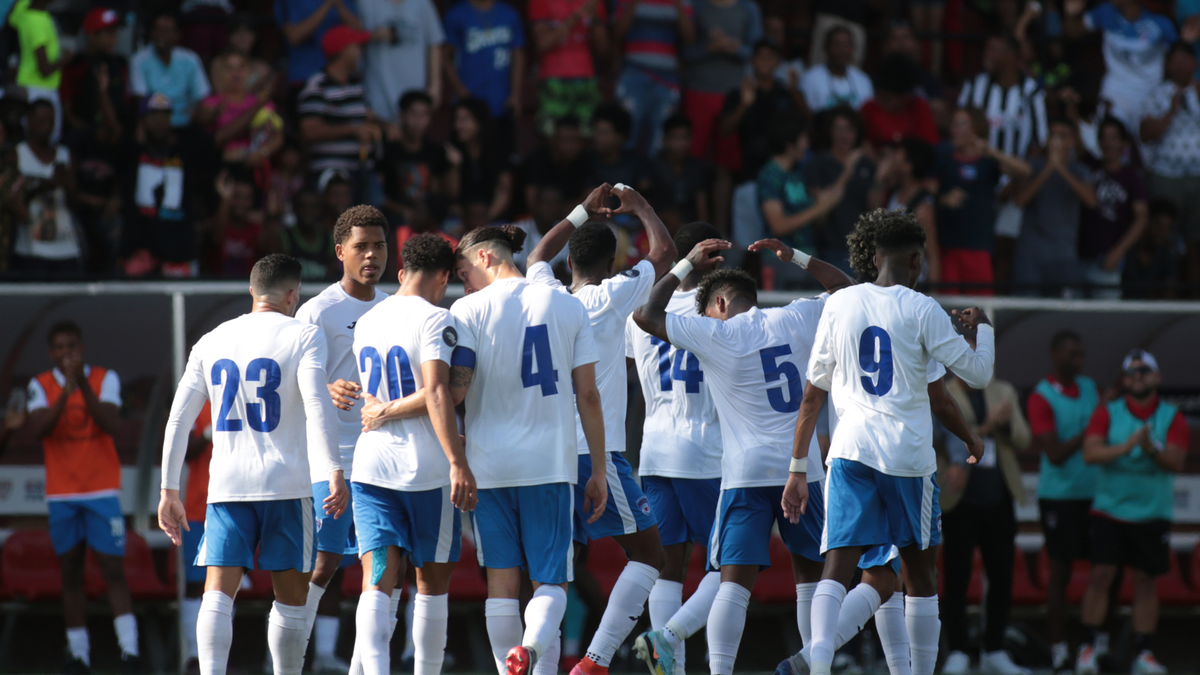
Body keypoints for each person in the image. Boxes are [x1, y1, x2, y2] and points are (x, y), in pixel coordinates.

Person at [631, 237, 856, 675]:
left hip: (744, 474)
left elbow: (646, 315)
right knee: (809, 577)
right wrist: (800, 256)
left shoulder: (717, 332)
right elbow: (848, 291)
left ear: (718, 303)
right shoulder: (797, 316)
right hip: (802, 471)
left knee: (733, 585)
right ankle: (811, 665)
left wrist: (684, 265)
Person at [793, 208, 995, 675]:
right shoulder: (922, 309)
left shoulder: (840, 303)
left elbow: (812, 395)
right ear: (917, 259)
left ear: (872, 254)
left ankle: (817, 663)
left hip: (850, 453)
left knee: (839, 566)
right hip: (907, 459)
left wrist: (798, 467)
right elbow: (975, 378)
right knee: (920, 575)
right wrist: (981, 326)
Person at [157, 254, 349, 675]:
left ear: (251, 290)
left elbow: (178, 419)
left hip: (227, 487)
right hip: (288, 484)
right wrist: (334, 468)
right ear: (293, 295)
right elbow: (318, 404)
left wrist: (168, 490)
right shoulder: (303, 334)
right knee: (290, 596)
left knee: (217, 594)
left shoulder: (211, 339)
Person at [524, 184, 676, 675]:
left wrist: (578, 211)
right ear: (612, 265)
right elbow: (666, 253)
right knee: (651, 554)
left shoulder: (546, 294)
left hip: (546, 453)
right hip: (596, 452)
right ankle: (595, 661)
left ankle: (537, 662)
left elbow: (536, 255)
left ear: (570, 264)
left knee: (554, 572)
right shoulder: (613, 294)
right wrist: (642, 207)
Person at [448, 225, 608, 675]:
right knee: (552, 581)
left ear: (484, 258)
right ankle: (532, 654)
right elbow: (589, 396)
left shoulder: (466, 310)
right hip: (549, 463)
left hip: (489, 466)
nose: (464, 284)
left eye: (464, 272)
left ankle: (513, 666)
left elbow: (455, 394)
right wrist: (597, 468)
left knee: (501, 584)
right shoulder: (566, 304)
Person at [348, 233, 477, 675]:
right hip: (426, 469)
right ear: (443, 276)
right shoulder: (436, 319)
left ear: (403, 271)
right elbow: (440, 391)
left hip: (370, 464)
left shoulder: (367, 319)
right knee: (431, 582)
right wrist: (459, 461)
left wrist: (384, 409)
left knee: (378, 579)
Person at [294, 205, 390, 672]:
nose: (371, 255)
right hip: (332, 459)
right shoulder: (317, 311)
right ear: (340, 253)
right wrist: (324, 386)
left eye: (379, 245)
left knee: (385, 566)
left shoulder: (394, 308)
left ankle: (363, 665)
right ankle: (292, 655)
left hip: (383, 455)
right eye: (361, 246)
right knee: (325, 565)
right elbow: (289, 380)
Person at [626, 222, 724, 675]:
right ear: (712, 259)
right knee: (732, 568)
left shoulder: (639, 313)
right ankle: (669, 638)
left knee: (670, 565)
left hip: (655, 451)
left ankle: (668, 668)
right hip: (705, 452)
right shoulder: (719, 312)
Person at [27, 320, 139, 673]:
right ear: (51, 352)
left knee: (112, 568)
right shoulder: (39, 384)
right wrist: (66, 390)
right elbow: (40, 428)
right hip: (62, 493)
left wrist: (82, 385)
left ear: (82, 348)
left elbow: (109, 423)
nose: (66, 353)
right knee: (71, 570)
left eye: (72, 346)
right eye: (59, 348)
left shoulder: (105, 378)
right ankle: (78, 654)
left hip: (101, 488)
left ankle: (129, 651)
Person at [1076, 350, 1189, 675]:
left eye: (1143, 371)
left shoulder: (1172, 416)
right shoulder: (1108, 412)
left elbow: (1176, 462)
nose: (1137, 376)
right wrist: (1126, 448)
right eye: (1130, 373)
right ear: (1124, 381)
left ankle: (1144, 654)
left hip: (1152, 514)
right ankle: (1086, 650)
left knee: (1145, 583)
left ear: (1157, 378)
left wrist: (1150, 448)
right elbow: (1091, 452)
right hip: (1110, 511)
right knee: (1100, 577)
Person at [939, 373, 1032, 675]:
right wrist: (988, 426)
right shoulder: (942, 391)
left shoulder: (1003, 389)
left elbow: (1023, 438)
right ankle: (958, 651)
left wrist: (1003, 425)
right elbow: (941, 436)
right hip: (960, 501)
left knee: (1001, 576)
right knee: (956, 577)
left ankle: (994, 648)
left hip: (999, 498)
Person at [1025, 330, 1100, 673]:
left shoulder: (1089, 388)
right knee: (1060, 573)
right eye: (1072, 354)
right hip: (1059, 497)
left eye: (1081, 354)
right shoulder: (1041, 397)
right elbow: (1053, 453)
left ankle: (1094, 646)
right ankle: (1059, 650)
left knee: (1104, 571)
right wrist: (1088, 435)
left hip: (1095, 495)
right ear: (1055, 354)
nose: (1079, 361)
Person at [118, 93, 217, 278]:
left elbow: (216, 140)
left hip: (179, 255)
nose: (159, 122)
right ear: (143, 120)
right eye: (153, 116)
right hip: (138, 255)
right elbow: (111, 133)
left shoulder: (186, 152)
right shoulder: (130, 152)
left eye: (164, 116)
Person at [934, 107, 1031, 294]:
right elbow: (929, 191)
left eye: (960, 124)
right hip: (948, 246)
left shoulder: (989, 161)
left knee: (979, 310)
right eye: (952, 124)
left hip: (979, 246)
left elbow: (1024, 172)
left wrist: (991, 151)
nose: (954, 129)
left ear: (976, 127)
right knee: (948, 309)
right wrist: (943, 199)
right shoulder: (943, 155)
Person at [1063, 0, 1190, 140]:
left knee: (1145, 150)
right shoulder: (1105, 12)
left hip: (1150, 95)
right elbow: (1073, 31)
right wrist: (1071, 13)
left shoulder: (1159, 23)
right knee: (1109, 139)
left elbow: (1179, 58)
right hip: (1116, 92)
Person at [756, 113, 853, 288]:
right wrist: (819, 208)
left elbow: (816, 213)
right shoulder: (769, 176)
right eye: (802, 139)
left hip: (808, 257)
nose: (807, 144)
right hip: (781, 261)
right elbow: (778, 225)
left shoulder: (798, 174)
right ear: (789, 143)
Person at [1139, 42, 1200, 298]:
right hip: (1167, 176)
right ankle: (1168, 298)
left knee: (1196, 241)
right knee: (1164, 239)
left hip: (1198, 176)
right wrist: (1171, 110)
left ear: (1194, 64)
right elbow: (1145, 134)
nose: (1179, 65)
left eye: (1184, 60)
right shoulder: (1157, 93)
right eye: (1173, 61)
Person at [298, 26, 394, 188]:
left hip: (363, 171)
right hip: (332, 177)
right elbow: (310, 130)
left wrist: (387, 127)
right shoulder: (317, 86)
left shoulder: (356, 83)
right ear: (343, 50)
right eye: (356, 47)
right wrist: (353, 129)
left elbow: (366, 117)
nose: (360, 52)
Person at [1012, 118, 1097, 296]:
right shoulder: (1033, 164)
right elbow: (1020, 201)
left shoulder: (1079, 169)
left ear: (1072, 141)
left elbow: (1091, 201)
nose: (1056, 141)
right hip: (1030, 255)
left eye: (1062, 136)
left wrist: (1061, 168)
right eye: (1053, 136)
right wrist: (1049, 167)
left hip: (1063, 255)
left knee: (1060, 315)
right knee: (1025, 310)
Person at [681, 0, 763, 160]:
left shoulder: (749, 8)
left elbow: (758, 51)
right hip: (698, 90)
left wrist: (733, 47)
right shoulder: (695, 6)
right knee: (693, 154)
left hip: (733, 94)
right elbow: (683, 51)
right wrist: (710, 48)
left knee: (727, 159)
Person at [804, 106, 882, 274]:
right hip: (829, 249)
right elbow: (819, 211)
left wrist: (879, 178)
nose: (844, 135)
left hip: (862, 250)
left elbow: (874, 208)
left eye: (850, 130)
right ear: (830, 132)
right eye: (839, 129)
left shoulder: (866, 164)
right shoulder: (818, 163)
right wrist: (847, 171)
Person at [612, 0, 695, 153]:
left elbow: (689, 38)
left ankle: (654, 177)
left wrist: (678, 6)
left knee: (660, 142)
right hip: (634, 75)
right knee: (627, 135)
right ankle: (628, 176)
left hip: (667, 81)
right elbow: (617, 34)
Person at [11, 100, 83, 276]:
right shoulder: (17, 154)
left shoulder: (65, 155)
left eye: (51, 122)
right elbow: (11, 200)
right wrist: (42, 186)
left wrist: (67, 184)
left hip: (65, 248)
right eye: (42, 121)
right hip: (31, 249)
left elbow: (75, 202)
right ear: (28, 121)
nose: (47, 126)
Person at [1080, 117, 1148, 298]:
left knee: (1105, 321)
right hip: (1079, 257)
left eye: (1113, 138)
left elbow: (1141, 217)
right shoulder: (1089, 166)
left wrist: (1119, 251)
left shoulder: (1132, 177)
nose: (1108, 143)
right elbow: (1076, 140)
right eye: (1104, 137)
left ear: (1124, 143)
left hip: (1109, 260)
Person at [719, 40, 804, 185]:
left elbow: (806, 121)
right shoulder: (738, 93)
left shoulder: (787, 92)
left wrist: (794, 92)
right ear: (752, 61)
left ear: (778, 62)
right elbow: (725, 130)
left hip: (784, 169)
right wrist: (744, 105)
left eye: (770, 57)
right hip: (751, 169)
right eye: (760, 57)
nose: (765, 61)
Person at [528, 0, 609, 137]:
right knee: (549, 134)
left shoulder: (595, 2)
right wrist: (577, 15)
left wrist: (594, 18)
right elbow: (543, 43)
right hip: (553, 80)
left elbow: (604, 51)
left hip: (586, 79)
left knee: (587, 135)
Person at [443, 0, 526, 132]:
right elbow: (445, 57)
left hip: (502, 98)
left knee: (501, 147)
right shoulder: (456, 14)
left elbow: (518, 55)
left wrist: (515, 95)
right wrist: (461, 92)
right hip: (469, 96)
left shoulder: (509, 14)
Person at [359, 0, 444, 122]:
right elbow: (350, 37)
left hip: (414, 92)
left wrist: (435, 86)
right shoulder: (364, 3)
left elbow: (434, 43)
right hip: (377, 92)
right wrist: (372, 35)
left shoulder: (423, 3)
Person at [195, 51, 282, 168]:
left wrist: (261, 152)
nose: (236, 73)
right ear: (220, 73)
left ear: (249, 71)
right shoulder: (211, 102)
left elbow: (278, 136)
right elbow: (212, 137)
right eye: (229, 68)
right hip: (219, 165)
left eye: (241, 67)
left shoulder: (260, 101)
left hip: (256, 167)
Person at [381, 90, 455, 224]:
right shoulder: (389, 149)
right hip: (394, 217)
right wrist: (404, 211)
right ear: (402, 116)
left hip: (428, 218)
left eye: (423, 115)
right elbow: (379, 195)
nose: (418, 121)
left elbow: (440, 193)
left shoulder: (434, 151)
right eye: (413, 114)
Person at [130, 14, 212, 129]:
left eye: (167, 31)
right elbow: (140, 100)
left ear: (177, 34)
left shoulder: (190, 58)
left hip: (187, 123)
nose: (161, 35)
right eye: (157, 30)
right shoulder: (139, 59)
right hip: (154, 125)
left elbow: (202, 96)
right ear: (151, 33)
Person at [181, 401, 214, 671]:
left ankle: (218, 657)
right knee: (195, 584)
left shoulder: (249, 394)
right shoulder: (195, 402)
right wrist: (209, 433)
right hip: (198, 509)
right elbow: (185, 450)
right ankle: (194, 656)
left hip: (239, 508)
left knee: (229, 584)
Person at [61, 8, 131, 137]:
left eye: (115, 32)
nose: (114, 38)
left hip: (115, 134)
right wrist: (89, 134)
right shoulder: (75, 65)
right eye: (109, 32)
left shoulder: (120, 64)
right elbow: (67, 111)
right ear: (91, 35)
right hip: (82, 136)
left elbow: (124, 105)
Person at [880, 138, 939, 284]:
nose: (892, 158)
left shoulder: (922, 208)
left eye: (897, 155)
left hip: (912, 284)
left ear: (908, 166)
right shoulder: (893, 192)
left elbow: (932, 256)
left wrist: (933, 295)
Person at [7, 0, 67, 139]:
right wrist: (66, 58)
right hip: (40, 89)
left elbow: (11, 20)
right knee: (44, 138)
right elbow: (44, 70)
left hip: (28, 84)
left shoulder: (24, 8)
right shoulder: (36, 21)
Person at [451, 97, 514, 224]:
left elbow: (504, 192)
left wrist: (484, 220)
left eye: (464, 120)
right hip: (460, 220)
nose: (458, 126)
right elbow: (451, 197)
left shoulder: (498, 151)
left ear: (479, 122)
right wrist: (454, 167)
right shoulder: (451, 151)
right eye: (456, 120)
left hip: (492, 218)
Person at [276, 0, 363, 87]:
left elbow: (359, 32)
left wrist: (340, 6)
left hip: (342, 76)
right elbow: (294, 36)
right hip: (305, 77)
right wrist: (327, 5)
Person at [859, 54, 938, 149]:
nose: (881, 102)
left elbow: (929, 146)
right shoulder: (869, 109)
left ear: (903, 97)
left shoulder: (918, 108)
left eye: (887, 98)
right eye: (879, 97)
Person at [647, 115, 712, 228]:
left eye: (684, 138)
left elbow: (702, 209)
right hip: (657, 225)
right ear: (665, 140)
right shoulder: (653, 167)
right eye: (675, 138)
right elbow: (644, 205)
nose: (680, 143)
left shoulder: (697, 168)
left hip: (688, 226)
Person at [523, 115, 591, 214]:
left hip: (575, 220)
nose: (571, 146)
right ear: (554, 140)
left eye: (575, 140)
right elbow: (532, 203)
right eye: (566, 140)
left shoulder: (584, 159)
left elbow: (591, 199)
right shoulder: (537, 159)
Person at [209, 171, 267, 279]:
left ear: (252, 201)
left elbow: (268, 250)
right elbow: (216, 240)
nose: (241, 203)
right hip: (219, 287)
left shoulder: (256, 229)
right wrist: (225, 199)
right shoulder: (220, 223)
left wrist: (271, 218)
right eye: (237, 197)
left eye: (246, 198)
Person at [801, 27, 873, 113]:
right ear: (826, 47)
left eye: (847, 45)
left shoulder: (863, 80)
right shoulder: (810, 79)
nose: (843, 50)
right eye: (837, 45)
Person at [1124, 199, 1183, 299]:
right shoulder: (1127, 251)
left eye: (1167, 228)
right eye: (1158, 225)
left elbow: (1169, 293)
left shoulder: (1166, 257)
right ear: (1146, 223)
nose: (1162, 233)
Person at [279, 189, 338, 280]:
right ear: (295, 209)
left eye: (313, 207)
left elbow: (331, 275)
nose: (308, 211)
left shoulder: (328, 239)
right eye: (303, 206)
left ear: (319, 210)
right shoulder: (285, 237)